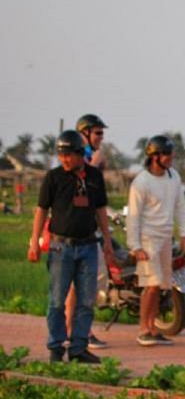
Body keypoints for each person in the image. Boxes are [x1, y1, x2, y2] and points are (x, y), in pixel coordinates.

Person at [27, 130, 115, 364]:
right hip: (60, 247)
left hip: (88, 246)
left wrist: (107, 241)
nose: (64, 160)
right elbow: (41, 210)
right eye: (60, 155)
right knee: (57, 300)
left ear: (79, 155)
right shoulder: (53, 177)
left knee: (86, 301)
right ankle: (56, 347)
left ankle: (78, 348)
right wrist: (34, 242)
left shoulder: (95, 177)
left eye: (68, 155)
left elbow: (101, 210)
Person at [126, 135, 185, 347]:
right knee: (151, 285)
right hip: (148, 239)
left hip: (166, 237)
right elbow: (133, 216)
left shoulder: (173, 177)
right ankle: (144, 329)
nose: (171, 158)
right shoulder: (141, 182)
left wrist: (184, 234)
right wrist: (135, 246)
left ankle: (153, 328)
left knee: (162, 285)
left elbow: (180, 206)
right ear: (155, 156)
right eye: (167, 154)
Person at [65, 113, 110, 349]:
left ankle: (77, 330)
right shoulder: (76, 159)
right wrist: (95, 165)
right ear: (84, 133)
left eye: (102, 133)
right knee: (81, 282)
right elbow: (76, 186)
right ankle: (77, 331)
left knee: (86, 282)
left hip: (91, 227)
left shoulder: (93, 158)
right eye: (97, 133)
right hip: (75, 229)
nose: (101, 137)